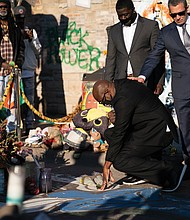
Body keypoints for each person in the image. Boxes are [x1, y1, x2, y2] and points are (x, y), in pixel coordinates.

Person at [92, 79, 183, 190]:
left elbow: (120, 132)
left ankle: (168, 171)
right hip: (148, 126)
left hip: (160, 131)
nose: (104, 104)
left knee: (120, 161)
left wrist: (107, 165)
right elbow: (129, 115)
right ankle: (141, 166)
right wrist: (117, 117)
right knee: (109, 133)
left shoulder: (123, 99)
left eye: (103, 101)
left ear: (107, 92)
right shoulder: (120, 85)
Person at [130, 0, 190, 164]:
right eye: (173, 15)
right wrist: (143, 76)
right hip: (182, 86)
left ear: (187, 9)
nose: (177, 17)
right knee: (185, 126)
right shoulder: (166, 33)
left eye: (181, 13)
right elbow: (154, 56)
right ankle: (188, 163)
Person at [104, 0, 165, 95]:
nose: (123, 18)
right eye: (120, 16)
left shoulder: (150, 26)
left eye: (126, 14)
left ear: (133, 10)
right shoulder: (113, 31)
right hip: (121, 82)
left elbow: (158, 56)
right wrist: (107, 85)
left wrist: (159, 82)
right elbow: (111, 59)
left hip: (145, 82)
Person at [14, 6, 42, 134]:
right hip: (15, 70)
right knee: (16, 99)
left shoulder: (31, 31)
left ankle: (29, 123)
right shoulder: (12, 30)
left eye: (23, 18)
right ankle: (17, 124)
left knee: (29, 99)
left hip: (28, 70)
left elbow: (38, 50)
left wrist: (31, 39)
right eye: (18, 18)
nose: (21, 20)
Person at [0, 0, 24, 132]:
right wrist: (2, 63)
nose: (2, 9)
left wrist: (18, 64)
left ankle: (11, 130)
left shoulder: (14, 29)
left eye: (5, 7)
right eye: (0, 7)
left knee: (13, 101)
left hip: (12, 71)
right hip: (0, 71)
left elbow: (21, 49)